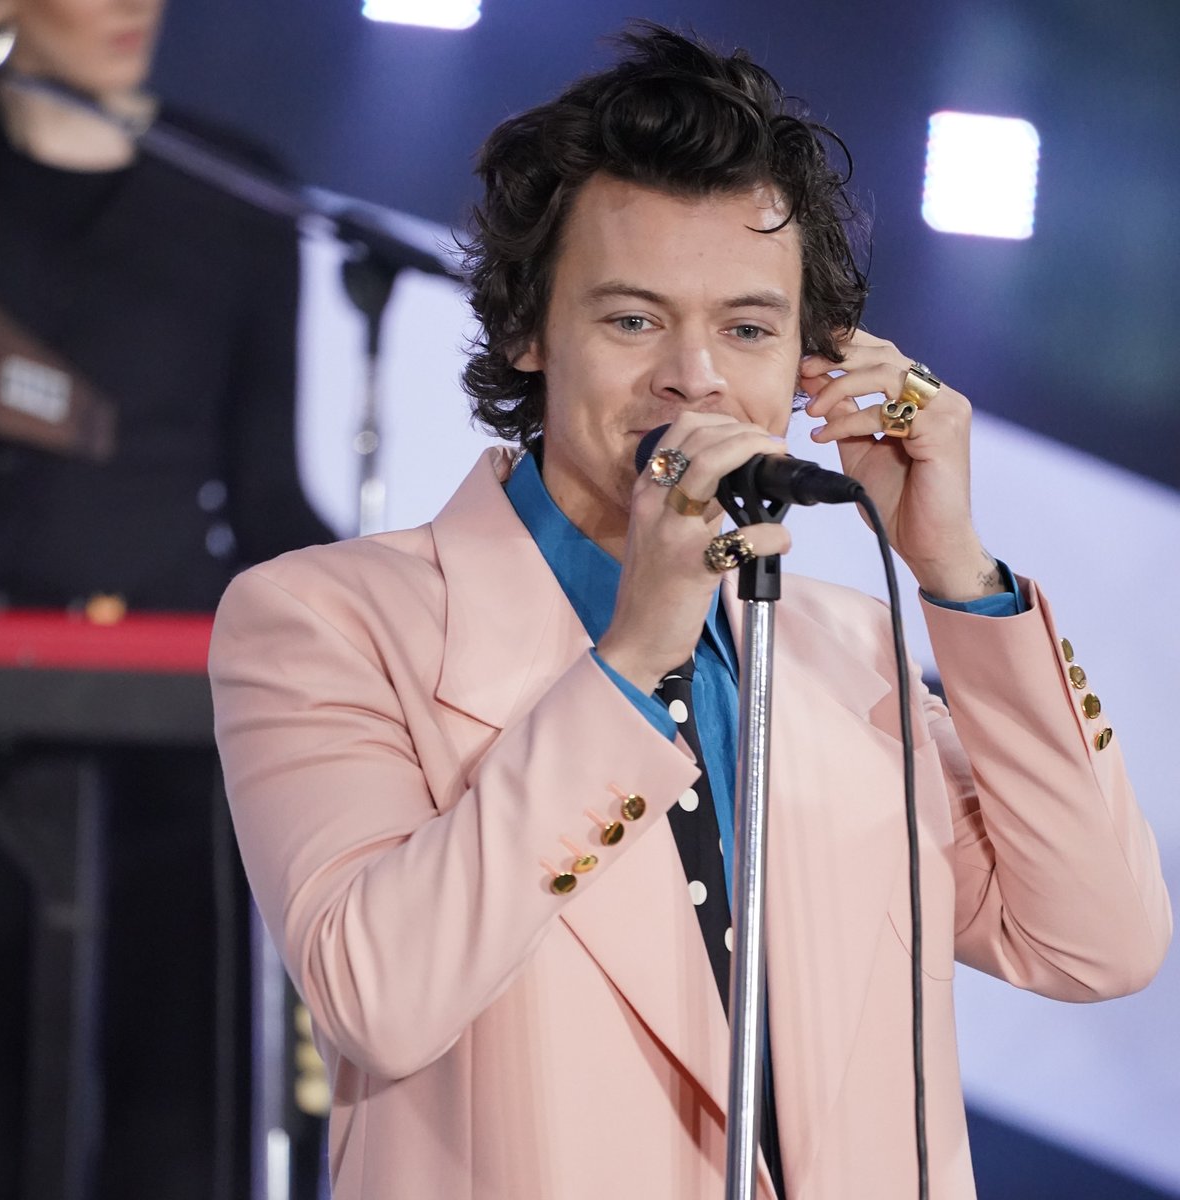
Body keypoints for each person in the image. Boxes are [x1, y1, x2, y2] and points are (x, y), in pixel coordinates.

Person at [208, 24, 1171, 1200]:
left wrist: (957, 571)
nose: (694, 377)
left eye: (748, 329)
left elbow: (1099, 942)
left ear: (813, 362)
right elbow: (378, 999)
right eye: (632, 321)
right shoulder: (326, 620)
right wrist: (633, 658)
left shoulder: (847, 644)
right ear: (527, 334)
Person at [0, 2, 335, 1197]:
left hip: (174, 701)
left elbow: (269, 494)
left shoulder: (234, 191)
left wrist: (389, 611)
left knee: (172, 1083)